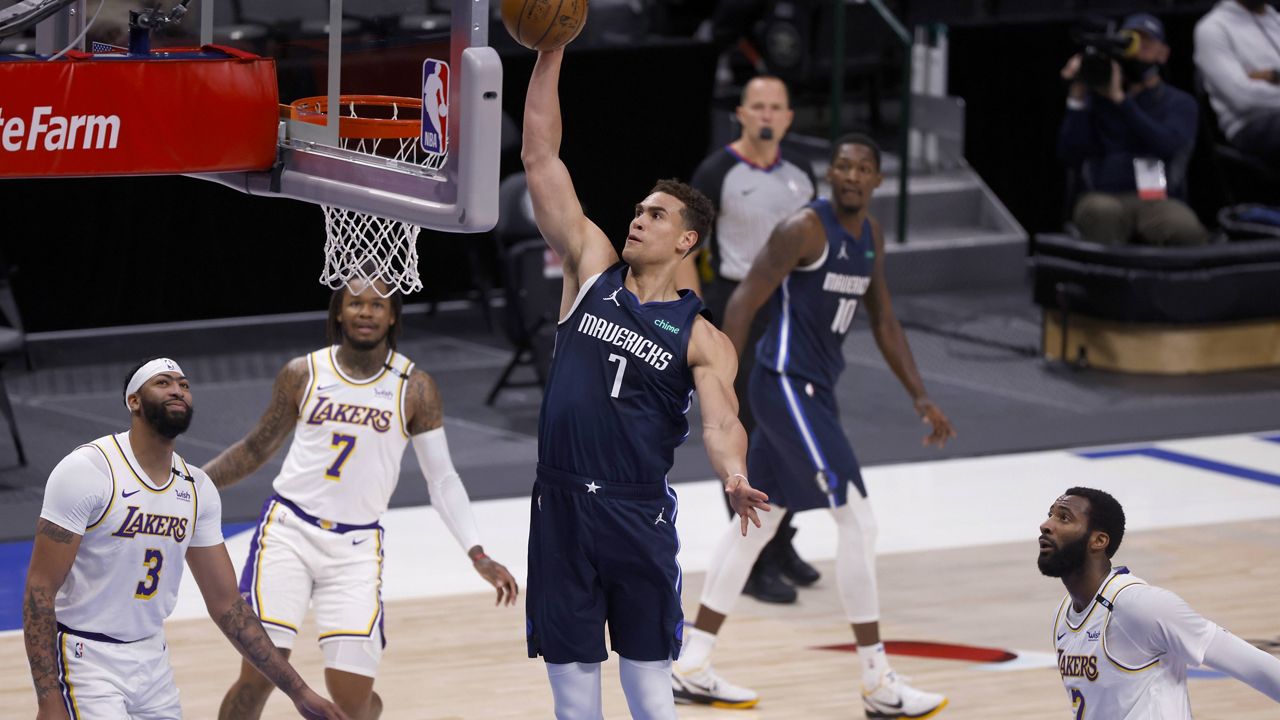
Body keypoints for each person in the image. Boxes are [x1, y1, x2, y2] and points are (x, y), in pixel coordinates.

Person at [520, 47, 772, 720]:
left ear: (687, 240)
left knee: (649, 695)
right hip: (563, 505)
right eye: (637, 209)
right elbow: (541, 159)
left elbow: (721, 421)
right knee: (574, 698)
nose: (637, 217)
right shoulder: (591, 270)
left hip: (635, 513)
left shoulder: (702, 336)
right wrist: (550, 54)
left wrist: (735, 474)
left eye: (656, 215)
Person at [672, 134, 955, 718]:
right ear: (830, 174)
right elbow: (744, 301)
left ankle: (691, 662)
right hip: (782, 383)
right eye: (842, 166)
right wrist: (721, 383)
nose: (851, 175)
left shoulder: (869, 237)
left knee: (759, 523)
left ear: (877, 180)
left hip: (814, 390)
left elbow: (884, 321)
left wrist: (921, 396)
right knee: (858, 519)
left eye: (863, 168)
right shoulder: (803, 228)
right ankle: (878, 682)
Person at [206, 281, 519, 720]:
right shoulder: (304, 372)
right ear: (339, 312)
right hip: (289, 533)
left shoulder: (415, 387)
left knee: (352, 702)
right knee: (260, 673)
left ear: (392, 316)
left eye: (377, 304)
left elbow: (442, 478)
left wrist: (477, 552)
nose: (366, 312)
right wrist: (194, 485)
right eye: (356, 303)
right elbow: (257, 447)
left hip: (355, 549)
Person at [23, 357, 346, 720]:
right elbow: (40, 589)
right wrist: (48, 699)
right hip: (85, 658)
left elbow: (227, 605)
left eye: (184, 385)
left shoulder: (197, 489)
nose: (177, 389)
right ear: (133, 401)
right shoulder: (89, 470)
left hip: (152, 660)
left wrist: (298, 691)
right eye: (163, 382)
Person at [681, 74, 819, 605]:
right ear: (741, 113)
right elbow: (687, 247)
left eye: (775, 107)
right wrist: (693, 315)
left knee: (791, 435)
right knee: (748, 435)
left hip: (794, 313)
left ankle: (783, 542)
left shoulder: (801, 174)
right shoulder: (718, 172)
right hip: (741, 308)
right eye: (757, 106)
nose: (766, 114)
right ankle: (752, 558)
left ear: (787, 117)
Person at [1039, 487, 1280, 717]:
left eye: (1064, 518)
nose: (1046, 525)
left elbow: (1255, 665)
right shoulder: (1062, 616)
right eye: (1050, 515)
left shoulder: (1140, 605)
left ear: (1099, 541)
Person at [1058, 13, 1209, 247]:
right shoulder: (1097, 100)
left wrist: (1121, 101)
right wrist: (1078, 95)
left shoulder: (1180, 103)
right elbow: (1069, 153)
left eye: (1147, 45)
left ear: (1163, 53)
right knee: (1101, 212)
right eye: (1131, 44)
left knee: (1182, 227)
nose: (1138, 52)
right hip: (1103, 195)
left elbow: (1168, 145)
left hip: (1158, 200)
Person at [1195, 1, 1280, 165]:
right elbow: (1243, 98)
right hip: (1250, 124)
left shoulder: (1276, 20)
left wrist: (1270, 76)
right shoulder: (1213, 28)